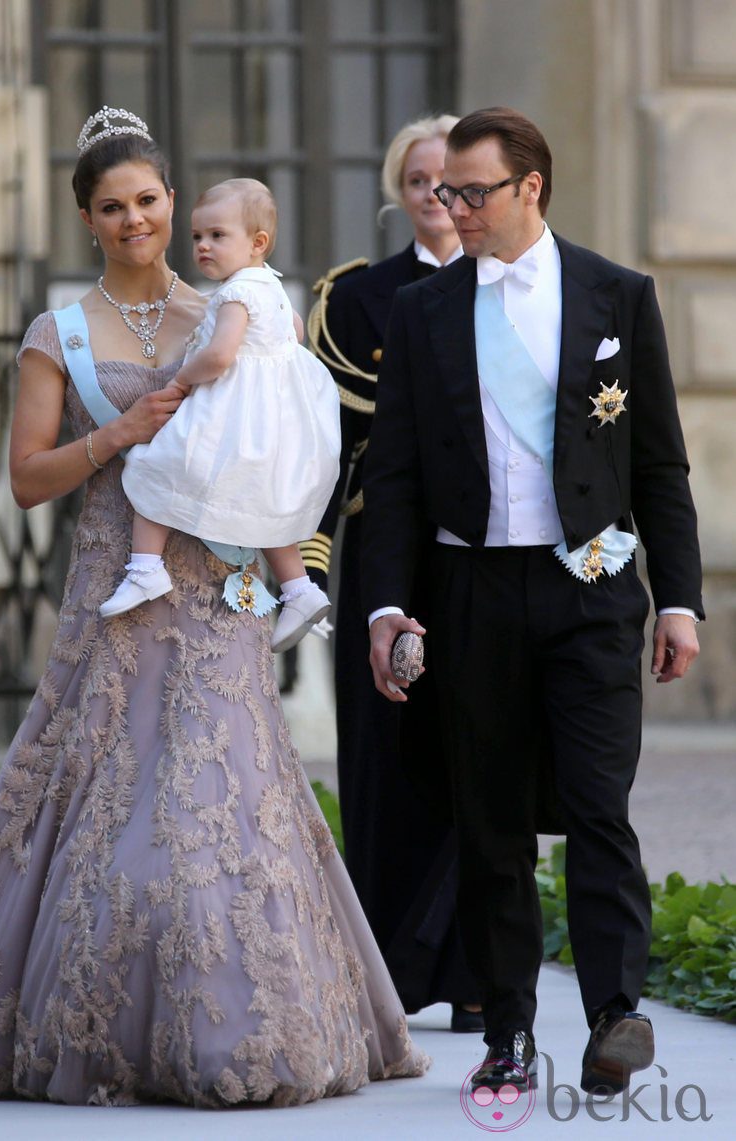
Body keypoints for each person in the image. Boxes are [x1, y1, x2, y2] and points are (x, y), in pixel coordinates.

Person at [0, 106, 428, 1107]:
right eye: (113, 206)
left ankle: (248, 1021)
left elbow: (284, 437)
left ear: (175, 204)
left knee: (224, 801)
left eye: (148, 199)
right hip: (117, 589)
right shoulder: (56, 334)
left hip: (219, 595)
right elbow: (25, 479)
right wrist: (116, 436)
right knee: (104, 806)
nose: (134, 218)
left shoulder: (229, 309)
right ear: (87, 219)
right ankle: (108, 1028)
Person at [360, 106, 702, 1097]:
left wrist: (675, 599)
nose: (448, 207)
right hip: (469, 590)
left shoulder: (614, 295)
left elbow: (657, 467)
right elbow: (393, 480)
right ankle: (505, 1029)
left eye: (469, 192)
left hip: (590, 587)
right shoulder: (422, 313)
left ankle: (614, 1016)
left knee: (599, 807)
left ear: (528, 189)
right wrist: (388, 607)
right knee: (491, 821)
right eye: (440, 191)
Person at [305, 114, 483, 1032]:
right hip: (383, 558)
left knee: (477, 760)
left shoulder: (515, 288)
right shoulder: (354, 299)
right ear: (398, 190)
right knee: (382, 760)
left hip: (486, 557)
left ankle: (472, 969)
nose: (433, 192)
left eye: (449, 177)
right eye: (417, 178)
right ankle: (384, 976)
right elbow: (323, 456)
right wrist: (294, 571)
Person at [100, 177, 338, 655]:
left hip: (228, 422)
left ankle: (145, 567)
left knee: (153, 465)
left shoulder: (235, 294)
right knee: (261, 509)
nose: (203, 246)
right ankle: (300, 590)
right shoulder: (272, 286)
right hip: (270, 433)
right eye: (197, 237)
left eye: (217, 236)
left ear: (257, 242)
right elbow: (293, 338)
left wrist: (183, 379)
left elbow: (221, 356)